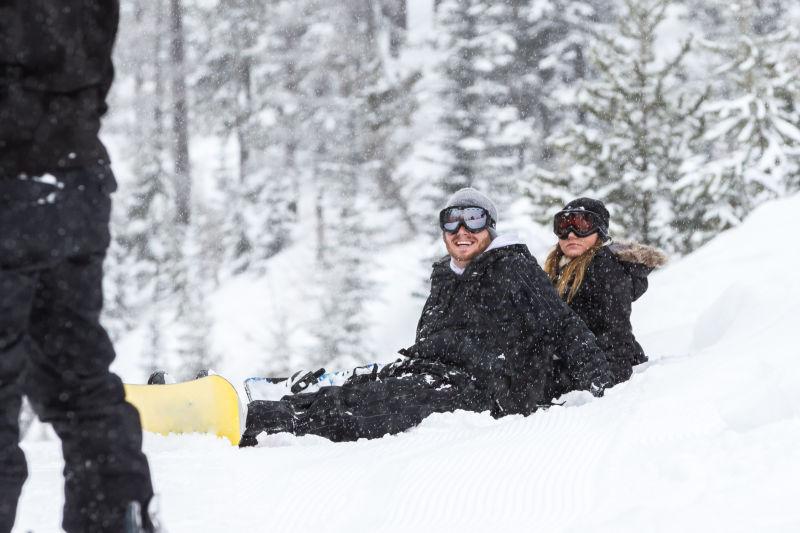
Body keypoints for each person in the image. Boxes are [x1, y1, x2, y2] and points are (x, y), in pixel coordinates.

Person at [240, 188, 611, 446]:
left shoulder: (513, 267)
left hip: (486, 389)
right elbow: (428, 339)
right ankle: (264, 406)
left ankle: (278, 423)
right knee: (369, 389)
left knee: (383, 408)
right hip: (435, 372)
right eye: (452, 222)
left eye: (473, 219)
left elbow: (562, 326)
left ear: (490, 227)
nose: (462, 230)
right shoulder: (445, 276)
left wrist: (600, 383)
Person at [0, 2, 157, 531]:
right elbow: (95, 73)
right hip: (75, 181)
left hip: (12, 182)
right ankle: (119, 516)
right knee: (79, 379)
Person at [542, 198, 667, 393]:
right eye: (564, 226)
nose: (571, 234)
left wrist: (608, 388)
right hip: (579, 365)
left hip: (599, 370)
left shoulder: (604, 268)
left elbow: (617, 334)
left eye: (582, 225)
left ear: (599, 231)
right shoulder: (560, 269)